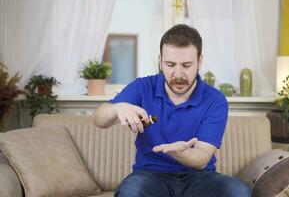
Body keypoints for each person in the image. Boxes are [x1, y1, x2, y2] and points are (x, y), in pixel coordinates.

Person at [93, 24, 251, 197]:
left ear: (199, 62)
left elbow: (201, 158)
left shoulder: (215, 100)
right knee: (130, 192)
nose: (178, 73)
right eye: (170, 64)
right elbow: (98, 119)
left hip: (200, 178)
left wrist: (178, 153)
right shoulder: (142, 87)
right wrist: (118, 107)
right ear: (160, 61)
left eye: (186, 65)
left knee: (238, 191)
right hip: (149, 176)